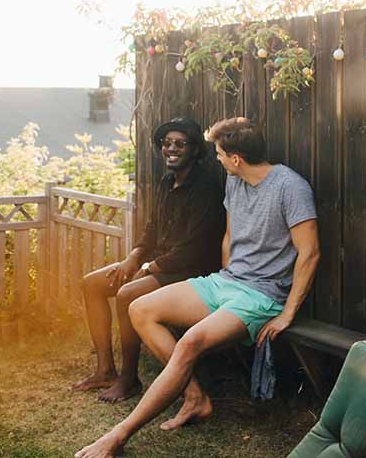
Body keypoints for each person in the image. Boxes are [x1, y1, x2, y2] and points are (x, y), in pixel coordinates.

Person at [75, 117, 320, 458]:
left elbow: (309, 253)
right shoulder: (235, 183)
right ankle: (194, 396)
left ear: (235, 158)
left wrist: (287, 313)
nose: (216, 158)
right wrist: (222, 277)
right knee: (139, 309)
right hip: (227, 281)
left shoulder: (290, 187)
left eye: (219, 153)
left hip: (261, 295)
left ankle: (118, 435)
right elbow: (230, 236)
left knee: (189, 343)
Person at [71, 117, 226, 404]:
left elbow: (195, 248)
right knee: (92, 284)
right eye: (166, 143)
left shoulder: (206, 188)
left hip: (191, 271)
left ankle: (129, 380)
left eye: (180, 143)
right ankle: (105, 370)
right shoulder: (167, 181)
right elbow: (152, 229)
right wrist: (134, 256)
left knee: (127, 294)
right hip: (160, 263)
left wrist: (148, 268)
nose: (171, 149)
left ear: (194, 150)